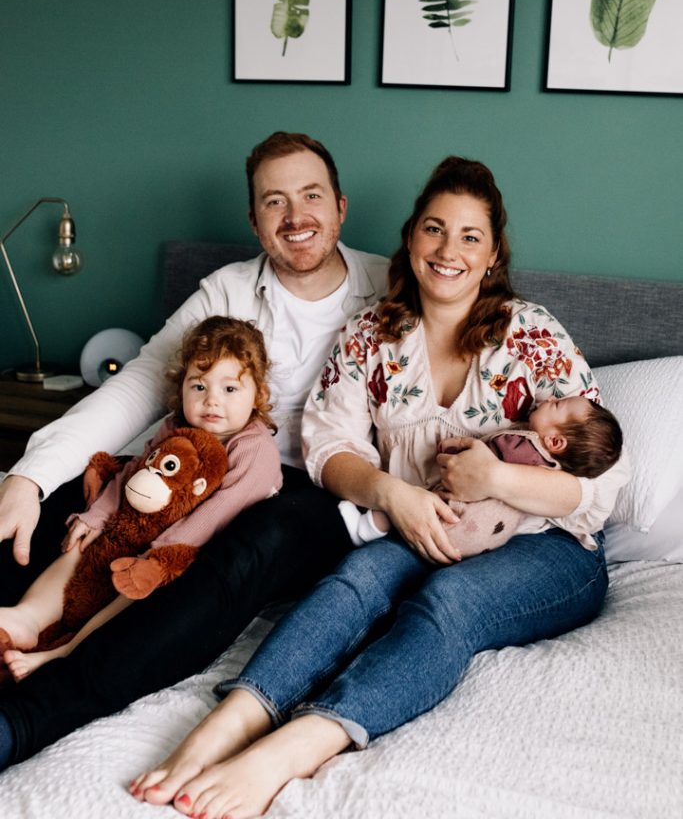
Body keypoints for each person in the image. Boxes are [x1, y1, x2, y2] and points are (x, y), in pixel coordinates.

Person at [128, 155, 630, 819]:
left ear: (491, 256)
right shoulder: (371, 335)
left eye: (469, 236)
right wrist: (393, 495)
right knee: (353, 581)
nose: (447, 250)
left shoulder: (530, 335)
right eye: (433, 229)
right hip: (419, 521)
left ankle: (299, 744)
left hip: (549, 545)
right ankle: (234, 720)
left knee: (449, 600)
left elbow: (600, 484)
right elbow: (328, 447)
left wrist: (498, 476)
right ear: (410, 239)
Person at [0, 132, 387, 771]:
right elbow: (138, 386)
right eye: (274, 201)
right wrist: (28, 477)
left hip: (315, 494)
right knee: (83, 504)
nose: (296, 217)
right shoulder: (226, 291)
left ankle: (29, 716)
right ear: (254, 219)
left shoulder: (390, 288)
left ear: (341, 207)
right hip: (197, 463)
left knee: (237, 549)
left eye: (311, 196)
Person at [0, 316, 282, 681]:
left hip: (188, 548)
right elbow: (133, 471)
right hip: (150, 523)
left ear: (257, 395)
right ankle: (27, 616)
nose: (211, 401)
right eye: (198, 386)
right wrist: (98, 516)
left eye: (230, 390)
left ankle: (68, 649)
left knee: (136, 590)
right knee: (84, 542)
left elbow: (215, 515)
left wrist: (156, 556)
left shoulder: (254, 449)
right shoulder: (175, 426)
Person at [339, 395, 623, 554]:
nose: (549, 398)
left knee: (421, 503)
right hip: (487, 537)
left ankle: (368, 528)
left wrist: (460, 451)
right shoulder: (550, 465)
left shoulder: (525, 448)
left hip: (468, 510)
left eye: (557, 405)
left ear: (556, 442)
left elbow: (484, 455)